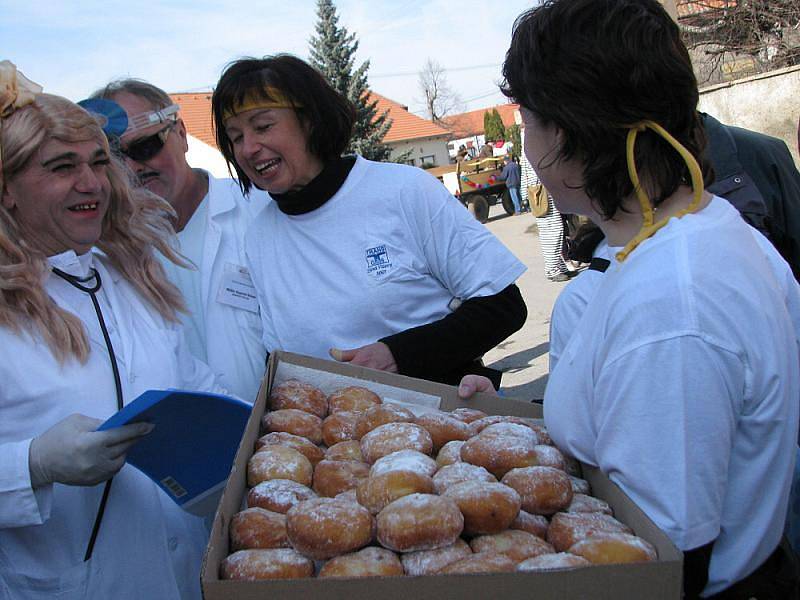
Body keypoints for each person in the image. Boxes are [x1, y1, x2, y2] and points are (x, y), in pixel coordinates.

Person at [499, 1, 800, 596]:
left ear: (572, 132)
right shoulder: (692, 229)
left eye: (528, 119)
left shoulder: (673, 301)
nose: (525, 145)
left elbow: (662, 560)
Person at [0, 64, 224, 599]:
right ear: (6, 190)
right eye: (61, 167)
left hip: (189, 573)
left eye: (100, 161)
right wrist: (32, 464)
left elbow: (193, 384)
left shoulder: (130, 275)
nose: (92, 183)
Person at [210, 54, 527, 389]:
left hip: (438, 423)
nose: (248, 148)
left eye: (263, 127)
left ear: (311, 120)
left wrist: (398, 354)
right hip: (335, 437)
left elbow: (503, 306)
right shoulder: (260, 237)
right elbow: (279, 357)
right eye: (235, 136)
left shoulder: (402, 191)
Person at [87, 80, 266, 403]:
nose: (133, 167)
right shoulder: (105, 250)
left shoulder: (259, 211)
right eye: (113, 157)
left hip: (272, 436)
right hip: (172, 440)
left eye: (145, 147)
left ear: (181, 134)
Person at [520, 143, 572, 281]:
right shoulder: (533, 140)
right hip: (542, 192)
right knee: (553, 231)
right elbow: (535, 168)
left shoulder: (528, 140)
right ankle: (552, 269)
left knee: (554, 231)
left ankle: (558, 266)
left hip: (541, 191)